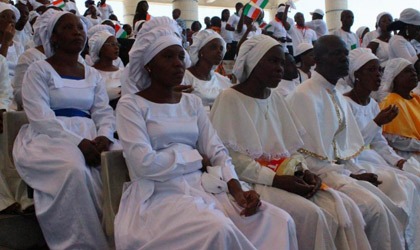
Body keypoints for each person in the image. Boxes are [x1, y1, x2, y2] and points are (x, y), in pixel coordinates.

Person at [115, 17, 298, 250]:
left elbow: (217, 151)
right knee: (218, 229)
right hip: (159, 194)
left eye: (181, 56)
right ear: (149, 64)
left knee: (279, 220)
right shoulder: (131, 105)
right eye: (168, 57)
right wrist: (195, 159)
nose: (178, 63)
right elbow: (144, 164)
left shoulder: (191, 102)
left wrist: (236, 188)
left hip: (204, 185)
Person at [210, 34, 370, 250]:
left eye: (283, 62)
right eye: (273, 61)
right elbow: (232, 159)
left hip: (285, 175)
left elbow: (291, 148)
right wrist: (276, 180)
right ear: (254, 63)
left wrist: (304, 171)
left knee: (344, 207)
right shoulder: (229, 98)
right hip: (253, 182)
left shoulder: (275, 98)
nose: (281, 68)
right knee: (312, 215)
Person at [287, 35, 407, 250]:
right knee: (376, 210)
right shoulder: (304, 95)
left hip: (343, 170)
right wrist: (352, 175)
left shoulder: (338, 95)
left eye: (345, 54)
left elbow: (345, 149)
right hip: (319, 173)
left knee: (392, 198)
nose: (344, 59)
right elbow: (308, 156)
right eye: (336, 54)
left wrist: (356, 170)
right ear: (317, 58)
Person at [13, 11, 119, 249]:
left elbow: (102, 111)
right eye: (68, 28)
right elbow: (40, 117)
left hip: (91, 134)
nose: (77, 32)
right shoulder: (39, 70)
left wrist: (104, 135)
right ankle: (82, 243)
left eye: (80, 28)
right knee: (73, 168)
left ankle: (120, 238)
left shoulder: (91, 74)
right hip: (48, 137)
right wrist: (78, 142)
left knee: (121, 159)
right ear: (54, 37)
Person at [343, 49, 420, 248]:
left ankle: (412, 241)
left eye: (379, 70)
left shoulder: (372, 105)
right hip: (354, 162)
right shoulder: (345, 103)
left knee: (415, 181)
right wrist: (376, 122)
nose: (378, 75)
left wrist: (397, 160)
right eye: (371, 70)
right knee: (403, 186)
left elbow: (379, 142)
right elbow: (349, 146)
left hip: (375, 157)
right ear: (357, 75)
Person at [379, 58, 420, 159]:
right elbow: (396, 141)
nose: (413, 74)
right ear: (394, 78)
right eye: (407, 71)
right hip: (407, 155)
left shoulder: (415, 97)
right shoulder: (391, 102)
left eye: (414, 71)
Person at [184, 30, 231, 112]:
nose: (219, 51)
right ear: (201, 51)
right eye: (213, 47)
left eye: (221, 48)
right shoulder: (185, 78)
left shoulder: (222, 80)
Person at [88, 30, 123, 109]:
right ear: (100, 47)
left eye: (117, 44)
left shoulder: (123, 72)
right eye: (112, 44)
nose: (116, 47)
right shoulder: (90, 73)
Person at [0, 3, 23, 81]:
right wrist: (5, 42)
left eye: (13, 18)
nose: (10, 20)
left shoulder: (18, 46)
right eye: (4, 17)